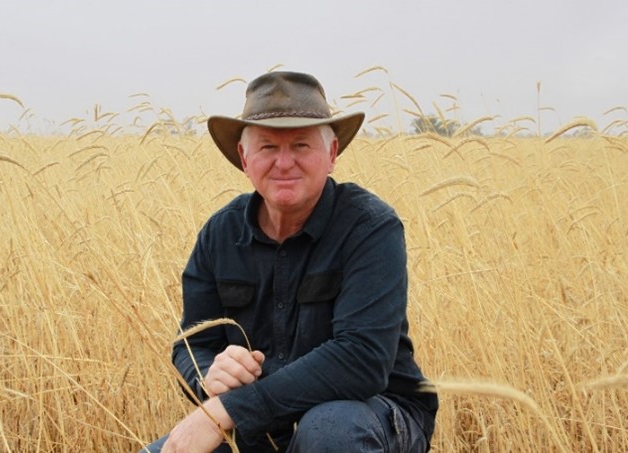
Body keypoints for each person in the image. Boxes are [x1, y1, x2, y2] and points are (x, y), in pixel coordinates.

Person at [142, 71, 438, 453]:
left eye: (301, 145)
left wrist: (224, 410)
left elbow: (363, 359)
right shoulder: (219, 234)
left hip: (375, 414)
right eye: (267, 147)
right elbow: (191, 344)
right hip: (261, 421)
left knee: (328, 431)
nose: (284, 163)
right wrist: (209, 377)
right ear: (244, 159)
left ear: (331, 155)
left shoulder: (370, 227)